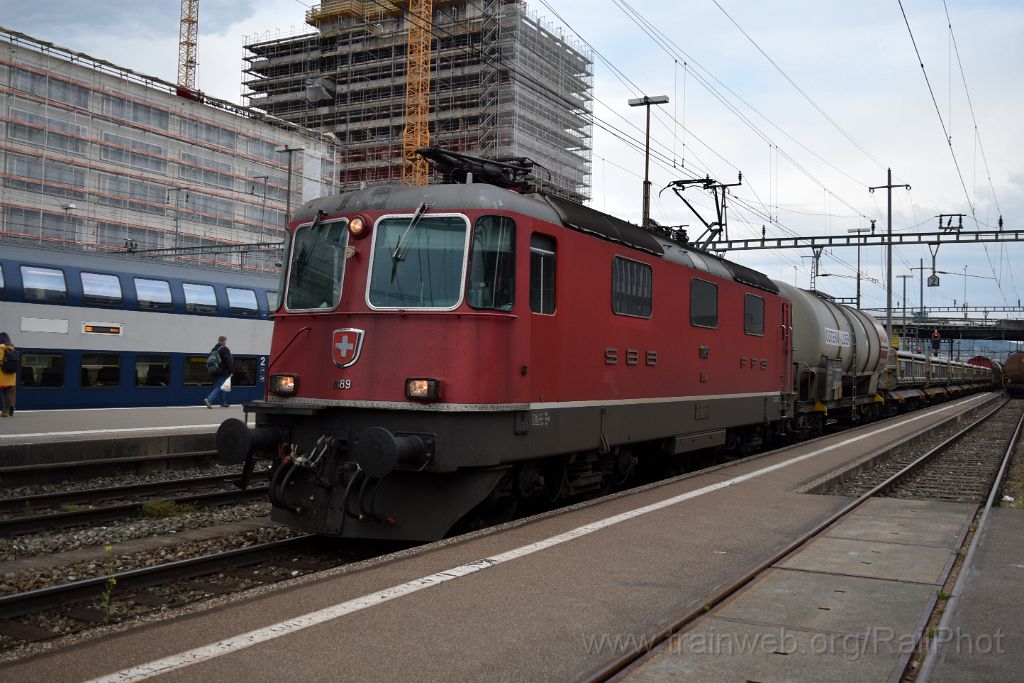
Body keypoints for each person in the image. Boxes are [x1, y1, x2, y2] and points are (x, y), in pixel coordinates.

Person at [204, 336, 234, 408]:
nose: (225, 343)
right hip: (222, 371)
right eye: (225, 341)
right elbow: (228, 361)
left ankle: (223, 402)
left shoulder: (214, 349)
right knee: (220, 387)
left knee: (222, 386)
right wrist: (231, 371)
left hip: (214, 371)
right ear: (223, 341)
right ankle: (209, 399)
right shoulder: (224, 349)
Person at [0, 332, 16, 417]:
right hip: (11, 374)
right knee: (8, 393)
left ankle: (5, 411)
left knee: (4, 393)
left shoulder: (1, 349)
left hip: (3, 374)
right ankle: (10, 407)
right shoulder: (11, 348)